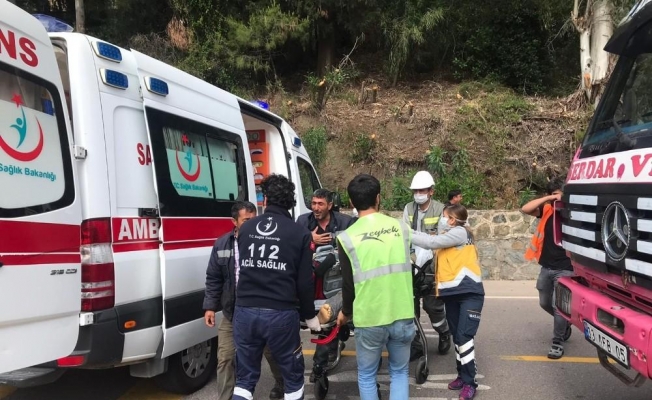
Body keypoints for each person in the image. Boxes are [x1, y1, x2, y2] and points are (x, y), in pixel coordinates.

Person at [233, 174, 321, 400]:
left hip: (244, 311)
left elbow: (243, 267)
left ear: (265, 200)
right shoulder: (299, 233)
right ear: (291, 202)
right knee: (292, 378)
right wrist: (310, 316)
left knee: (244, 381)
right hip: (280, 313)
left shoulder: (246, 229)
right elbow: (304, 281)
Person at [336, 174, 415, 400]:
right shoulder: (400, 227)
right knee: (399, 372)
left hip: (369, 317)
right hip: (402, 312)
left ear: (351, 202)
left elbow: (348, 284)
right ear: (378, 198)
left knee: (367, 375)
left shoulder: (347, 237)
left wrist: (345, 313)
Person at [203, 201, 285, 400]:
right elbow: (214, 278)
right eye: (246, 220)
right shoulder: (222, 244)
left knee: (272, 353)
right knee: (225, 358)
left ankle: (282, 384)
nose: (252, 224)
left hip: (262, 310)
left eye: (254, 219)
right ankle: (226, 397)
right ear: (234, 222)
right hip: (233, 312)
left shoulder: (266, 241)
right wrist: (210, 307)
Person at [410, 204, 485, 400]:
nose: (442, 220)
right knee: (458, 337)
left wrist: (405, 232)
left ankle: (470, 383)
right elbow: (429, 241)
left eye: (444, 216)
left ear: (452, 219)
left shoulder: (460, 232)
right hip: (452, 295)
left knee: (464, 338)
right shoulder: (449, 235)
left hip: (469, 294)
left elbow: (431, 242)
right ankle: (461, 375)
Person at [296, 188, 355, 382]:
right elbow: (292, 245)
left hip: (337, 281)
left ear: (330, 205)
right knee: (316, 322)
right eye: (313, 203)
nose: (316, 208)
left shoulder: (345, 222)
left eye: (320, 204)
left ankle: (319, 365)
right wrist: (309, 238)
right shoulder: (302, 222)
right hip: (311, 282)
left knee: (327, 319)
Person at [521, 177, 573, 359]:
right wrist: (548, 199)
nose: (558, 198)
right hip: (547, 265)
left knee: (559, 306)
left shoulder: (572, 211)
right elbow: (525, 209)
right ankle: (565, 323)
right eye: (555, 194)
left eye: (560, 194)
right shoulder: (547, 208)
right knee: (544, 302)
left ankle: (557, 342)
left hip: (566, 267)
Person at [402, 170, 452, 358]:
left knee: (432, 306)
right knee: (410, 308)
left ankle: (444, 332)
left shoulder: (441, 210)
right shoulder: (409, 208)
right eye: (415, 191)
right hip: (412, 263)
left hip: (433, 266)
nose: (418, 194)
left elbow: (444, 236)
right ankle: (416, 345)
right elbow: (404, 233)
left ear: (431, 191)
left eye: (422, 190)